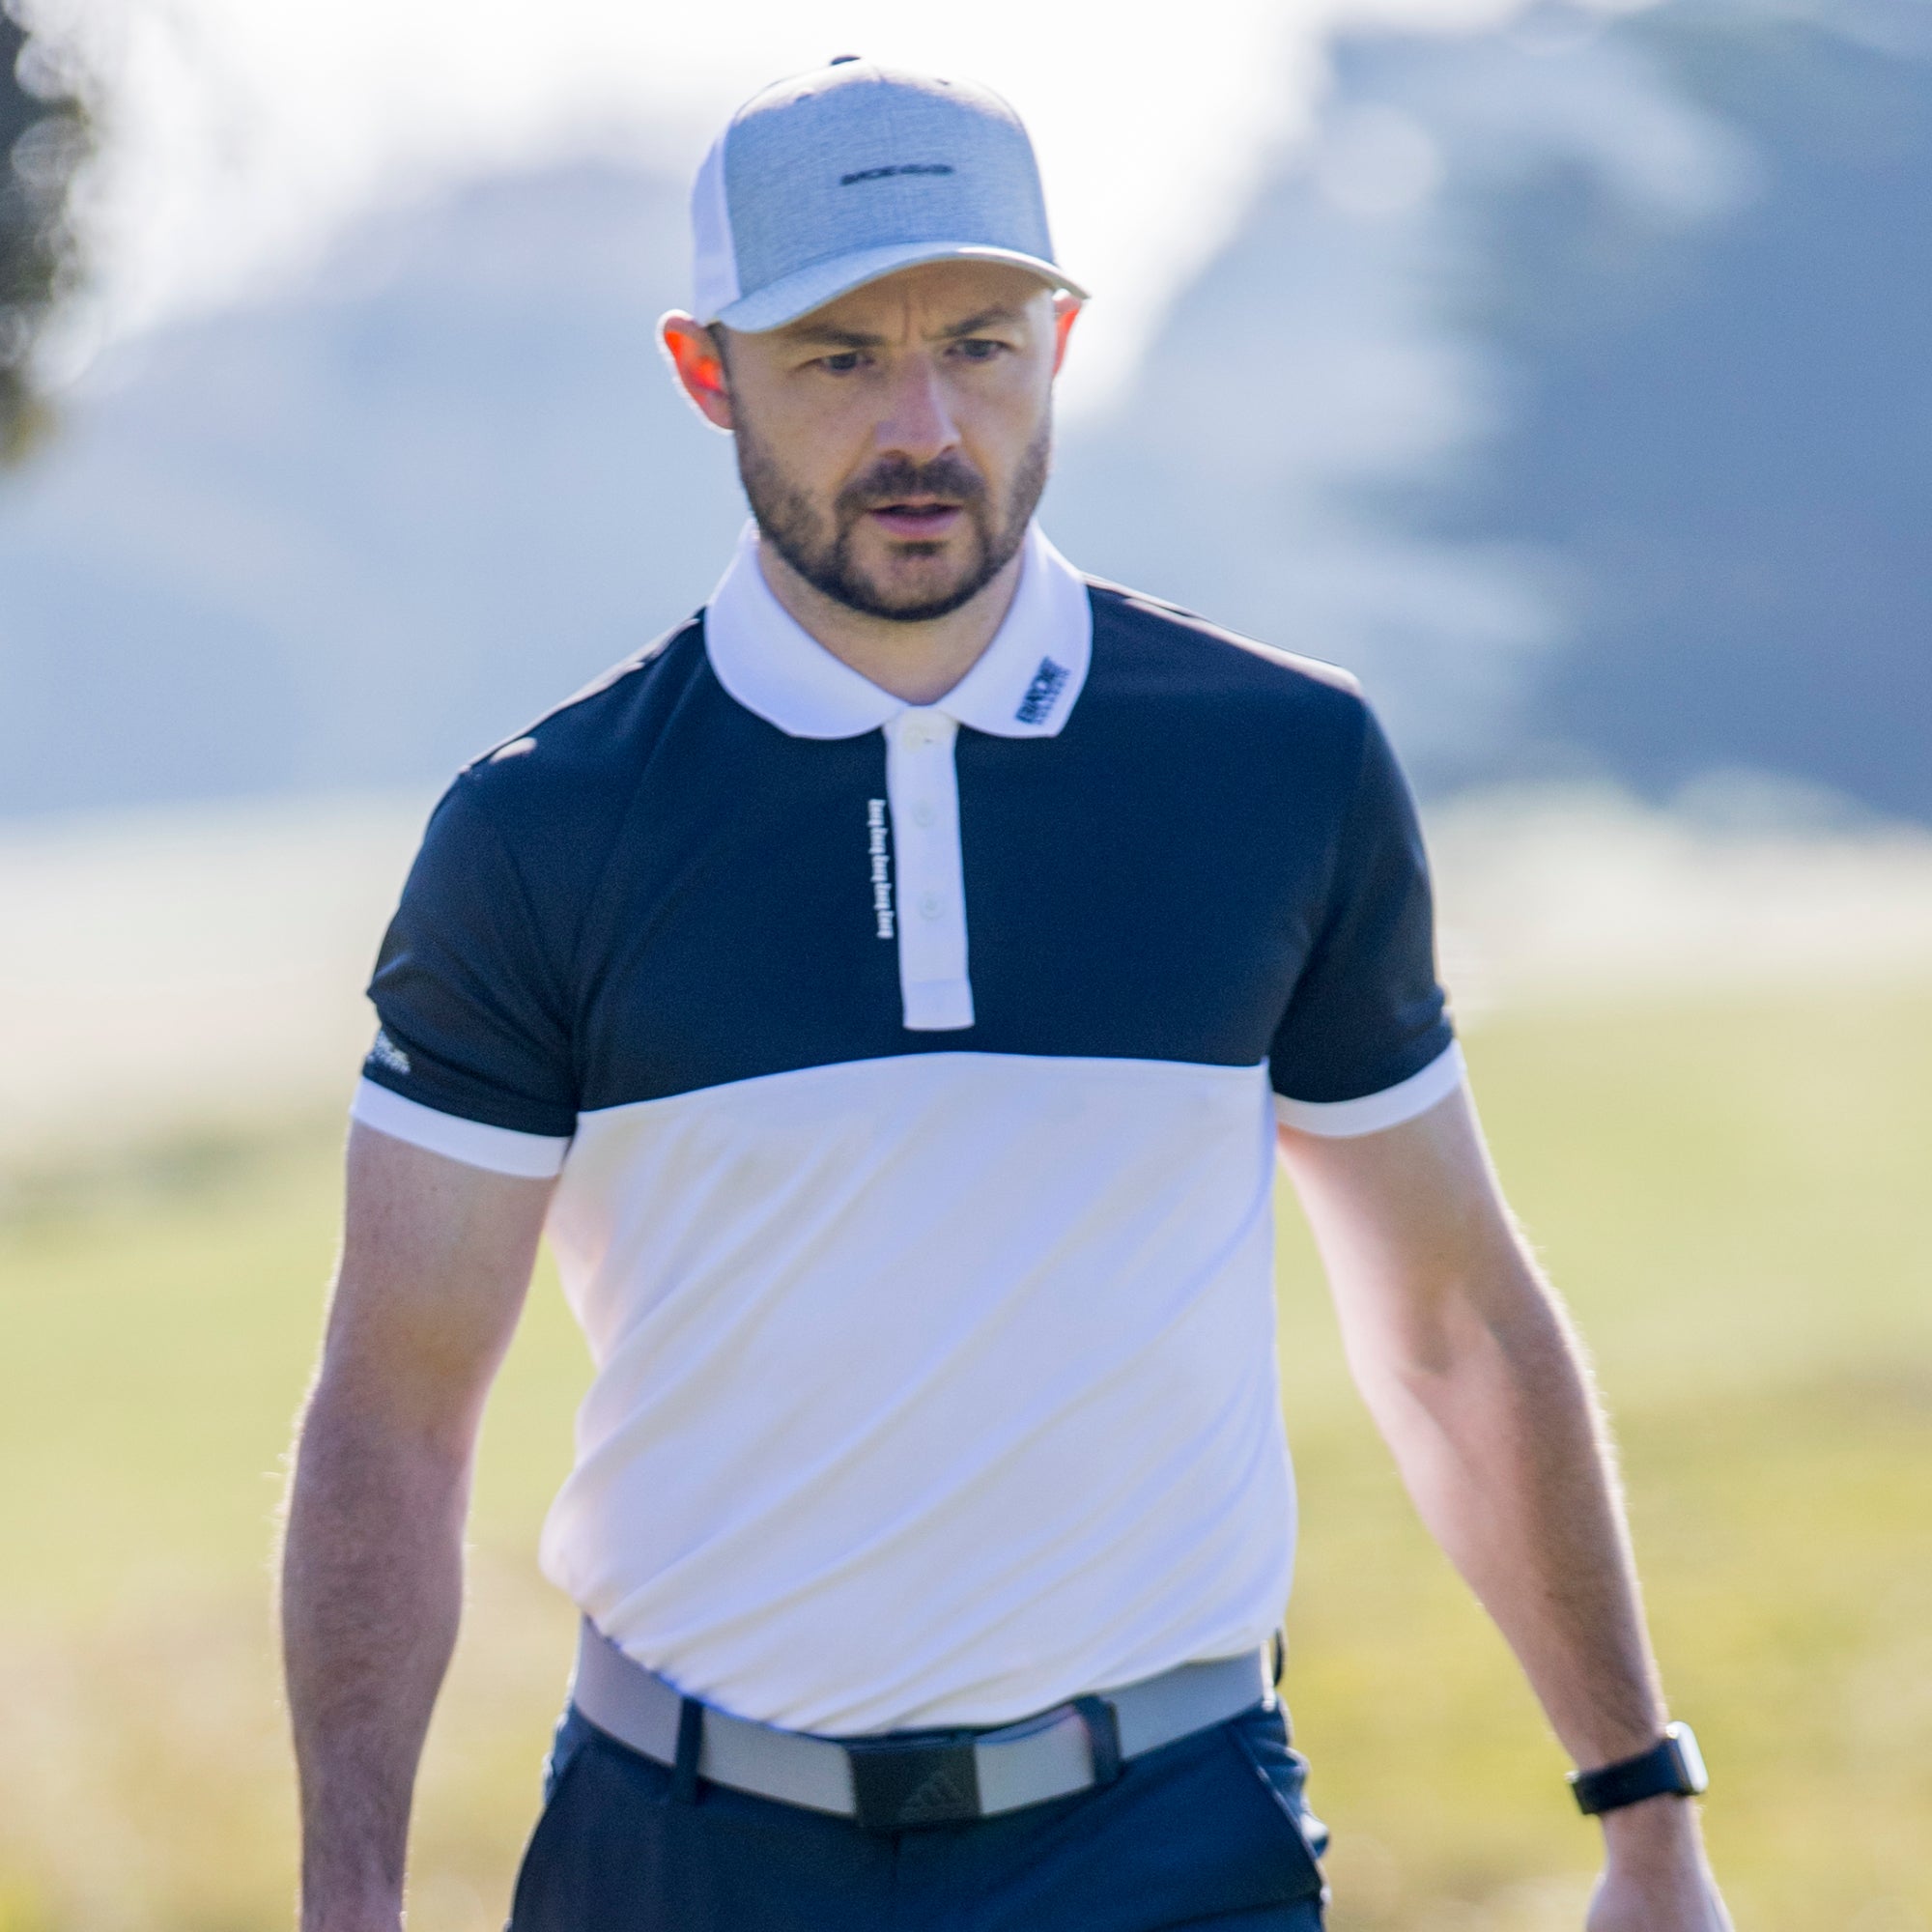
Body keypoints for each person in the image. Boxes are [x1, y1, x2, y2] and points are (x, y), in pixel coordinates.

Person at [280, 58, 1733, 1932]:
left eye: (978, 347)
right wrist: (349, 1900)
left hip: (1165, 1849)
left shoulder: (1277, 766)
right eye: (838, 359)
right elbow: (394, 1413)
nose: (924, 428)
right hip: (684, 1859)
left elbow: (1452, 1324)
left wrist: (1643, 1818)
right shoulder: (541, 830)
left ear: (1061, 343)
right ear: (706, 372)